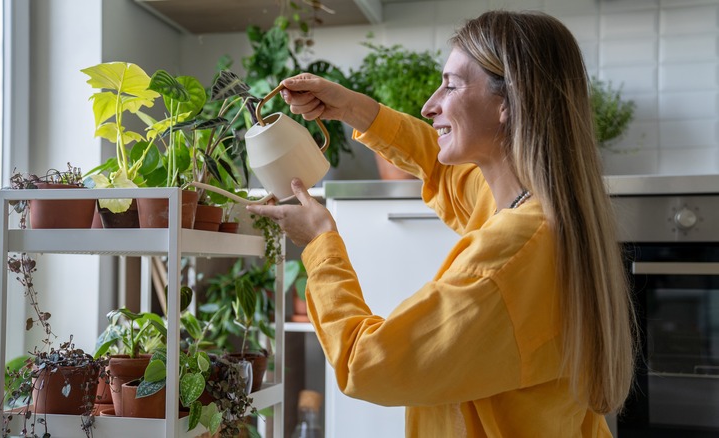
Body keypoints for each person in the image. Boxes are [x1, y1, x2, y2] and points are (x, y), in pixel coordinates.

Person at [247, 10, 637, 437]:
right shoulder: (534, 208)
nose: (429, 105)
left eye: (450, 85)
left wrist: (320, 242)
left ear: (507, 102)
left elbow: (366, 363)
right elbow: (440, 167)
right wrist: (354, 108)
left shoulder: (507, 258)